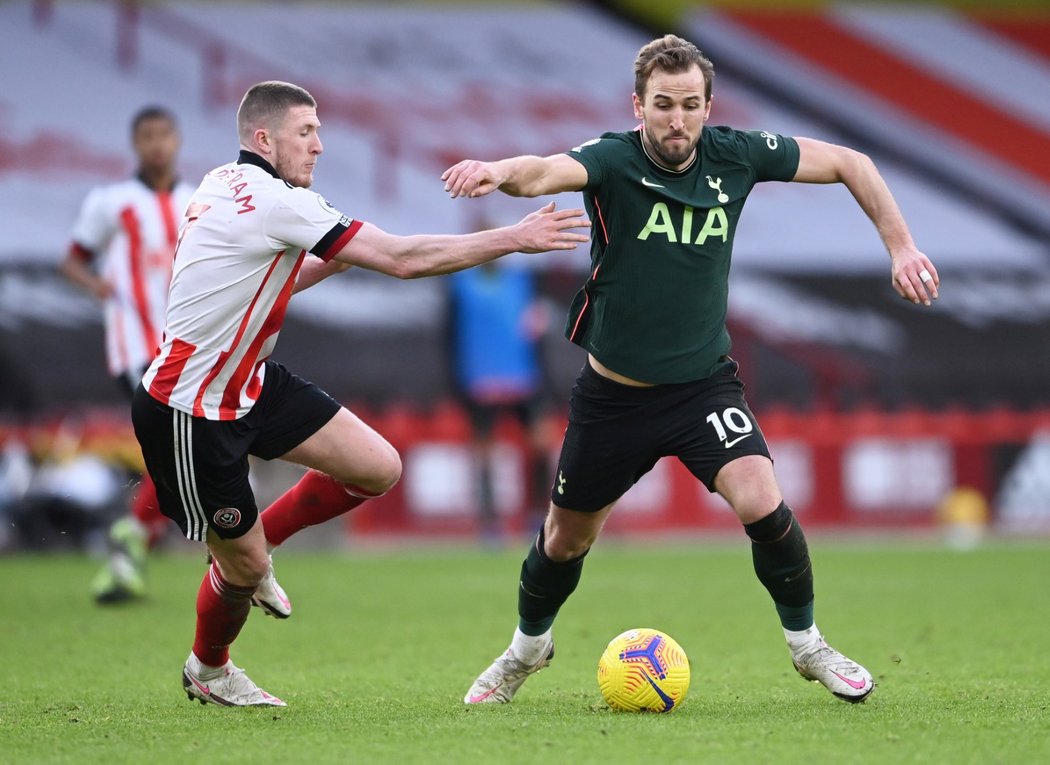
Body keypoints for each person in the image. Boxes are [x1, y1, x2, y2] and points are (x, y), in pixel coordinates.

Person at [442, 34, 939, 705]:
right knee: (564, 540)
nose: (677, 119)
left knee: (762, 499)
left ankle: (808, 644)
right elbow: (541, 171)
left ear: (708, 106)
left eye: (690, 105)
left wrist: (901, 247)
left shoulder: (736, 154)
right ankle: (527, 648)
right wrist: (498, 170)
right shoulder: (614, 160)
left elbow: (852, 162)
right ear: (638, 105)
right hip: (613, 398)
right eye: (663, 104)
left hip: (703, 386)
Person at [131, 80, 589, 707]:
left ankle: (259, 548)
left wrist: (335, 257)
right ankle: (209, 669)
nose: (320, 145)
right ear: (264, 139)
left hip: (252, 382)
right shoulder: (276, 203)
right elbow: (402, 259)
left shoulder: (221, 183)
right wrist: (512, 237)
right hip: (192, 405)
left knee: (377, 467)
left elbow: (261, 280)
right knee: (239, 570)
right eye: (306, 131)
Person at [61, 106, 193, 603]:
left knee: (180, 454)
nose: (157, 144)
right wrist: (100, 286)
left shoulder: (196, 199)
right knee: (183, 447)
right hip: (135, 344)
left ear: (177, 140)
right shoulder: (111, 202)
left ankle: (130, 546)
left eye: (164, 134)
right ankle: (137, 540)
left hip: (186, 345)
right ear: (135, 144)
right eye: (147, 136)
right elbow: (72, 260)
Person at [447, 257, 551, 543]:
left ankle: (539, 516)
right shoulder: (461, 284)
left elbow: (535, 331)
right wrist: (458, 382)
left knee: (541, 445)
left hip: (523, 378)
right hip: (480, 379)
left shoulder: (522, 281)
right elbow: (450, 335)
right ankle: (489, 524)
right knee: (484, 453)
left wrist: (542, 376)